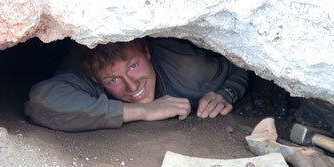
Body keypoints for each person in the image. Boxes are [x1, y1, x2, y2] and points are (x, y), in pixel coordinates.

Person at [24, 37, 249, 132]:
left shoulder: (189, 70)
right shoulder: (85, 72)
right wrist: (142, 110)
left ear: (147, 52)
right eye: (113, 80)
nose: (132, 86)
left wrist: (227, 92)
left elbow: (243, 63)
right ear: (94, 79)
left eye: (133, 66)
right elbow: (41, 101)